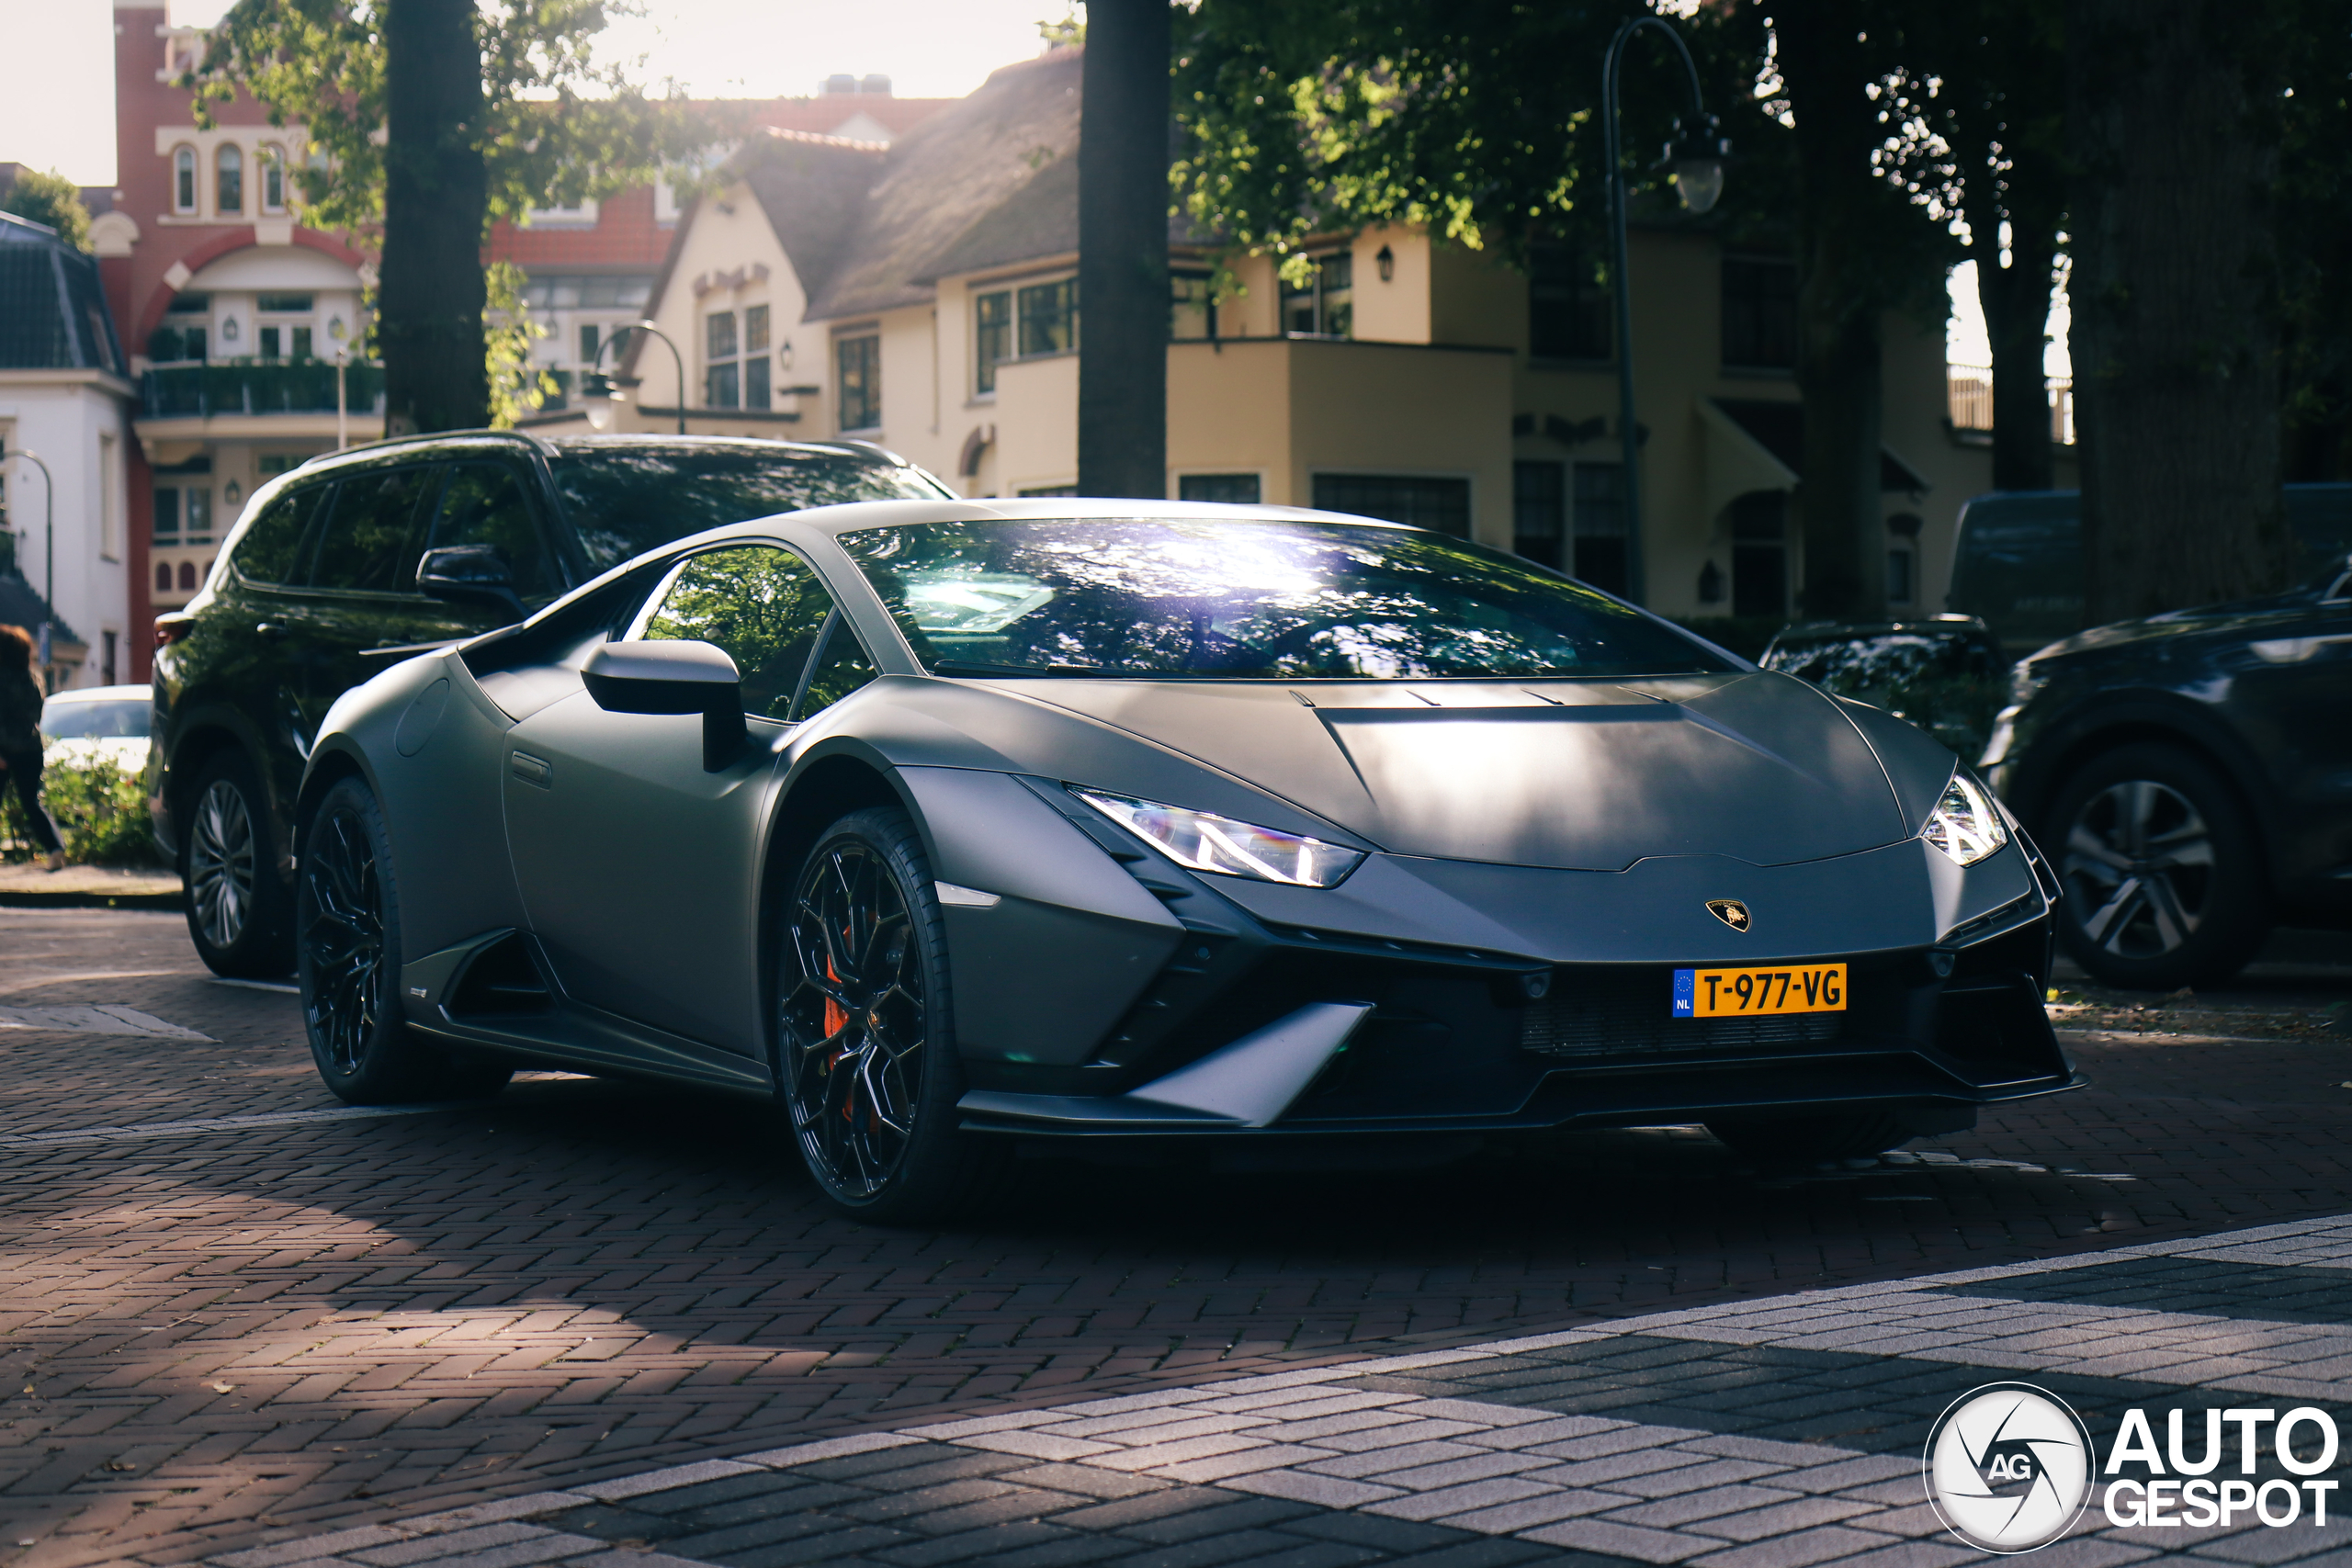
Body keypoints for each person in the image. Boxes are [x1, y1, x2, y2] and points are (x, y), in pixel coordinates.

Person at [0, 624, 65, 872]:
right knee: (31, 802)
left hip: (4, 749)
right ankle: (56, 849)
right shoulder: (33, 679)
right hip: (30, 747)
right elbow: (35, 714)